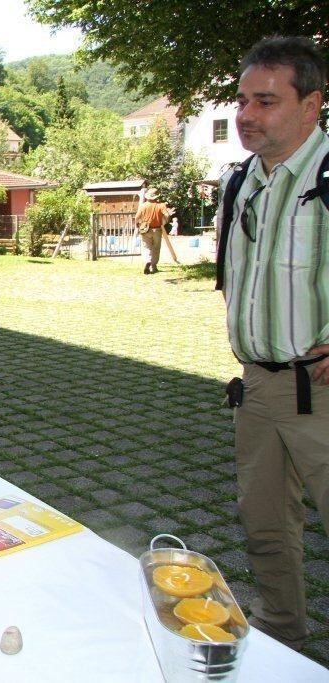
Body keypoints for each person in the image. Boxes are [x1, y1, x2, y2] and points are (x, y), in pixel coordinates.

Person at [219, 36, 329, 650]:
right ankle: (282, 641)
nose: (246, 116)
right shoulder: (241, 183)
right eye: (242, 101)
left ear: (311, 105)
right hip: (257, 385)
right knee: (264, 527)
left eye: (265, 101)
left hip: (322, 385)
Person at [135, 188, 170, 274]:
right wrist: (165, 222)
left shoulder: (143, 205)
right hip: (157, 229)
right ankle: (153, 266)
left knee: (146, 247)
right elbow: (167, 215)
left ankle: (147, 261)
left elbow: (137, 217)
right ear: (157, 196)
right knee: (156, 248)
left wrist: (137, 225)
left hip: (145, 228)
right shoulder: (161, 205)